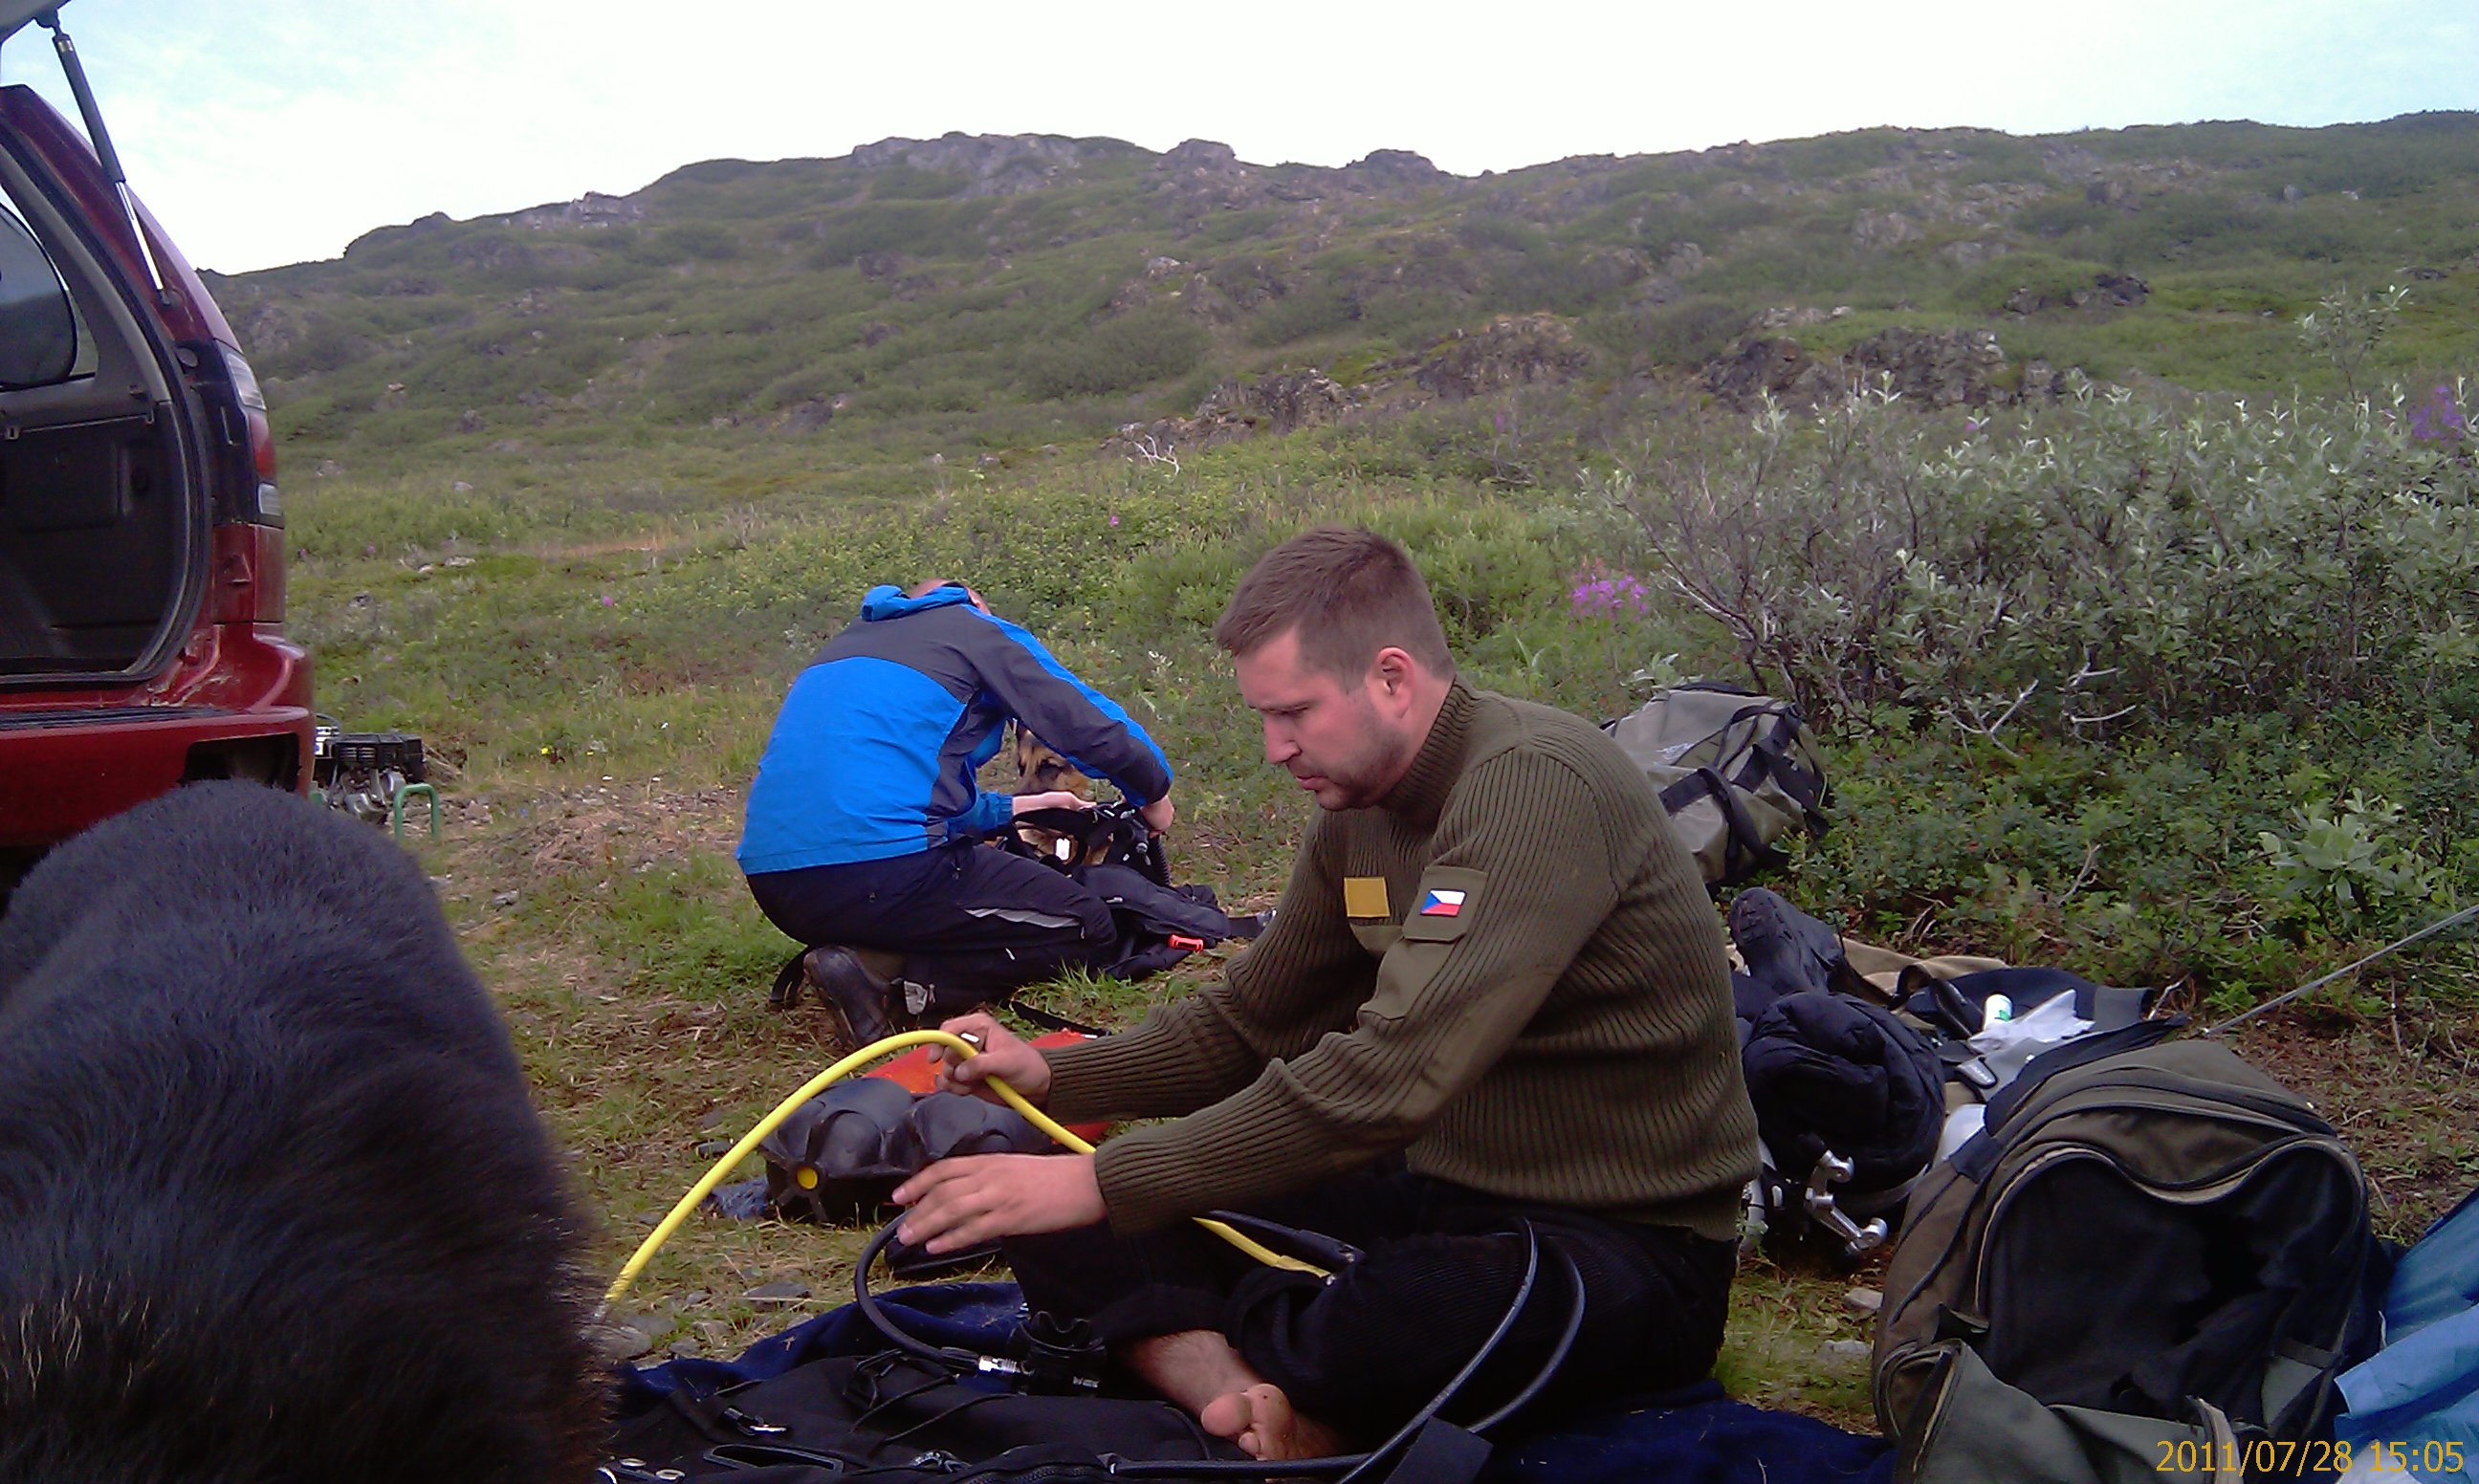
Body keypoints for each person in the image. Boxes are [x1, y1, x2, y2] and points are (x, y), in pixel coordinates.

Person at [891, 529, 1760, 1461]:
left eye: (1294, 713)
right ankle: (1253, 1402)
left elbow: (1394, 1074)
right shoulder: (1356, 810)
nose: (1275, 748)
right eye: (1264, 717)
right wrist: (1057, 1082)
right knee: (1072, 1222)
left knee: (1397, 1313)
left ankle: (1267, 1370)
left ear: (1391, 678)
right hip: (1433, 1186)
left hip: (1625, 1238)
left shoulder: (1535, 786)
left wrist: (1105, 1177)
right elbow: (1251, 1023)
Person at [736, 579, 1175, 1045]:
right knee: (1088, 925)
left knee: (915, 891)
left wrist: (1021, 807)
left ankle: (863, 949)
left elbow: (887, 797)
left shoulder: (842, 650)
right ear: (976, 605)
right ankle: (889, 980)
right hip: (880, 873)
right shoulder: (972, 629)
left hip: (780, 890)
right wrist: (1152, 794)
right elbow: (1081, 721)